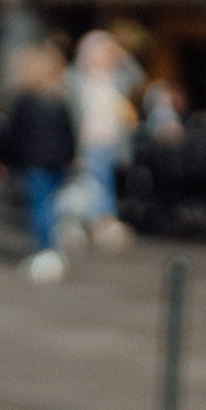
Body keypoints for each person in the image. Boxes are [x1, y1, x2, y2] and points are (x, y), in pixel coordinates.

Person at [1, 44, 78, 283]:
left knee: (39, 207)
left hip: (34, 162)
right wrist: (70, 157)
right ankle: (51, 249)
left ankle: (45, 250)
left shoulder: (25, 100)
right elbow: (68, 133)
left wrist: (10, 160)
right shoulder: (59, 98)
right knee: (51, 207)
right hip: (57, 162)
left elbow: (15, 134)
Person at [71, 29, 137, 250]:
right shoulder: (77, 78)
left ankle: (100, 221)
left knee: (102, 181)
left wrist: (121, 55)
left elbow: (138, 78)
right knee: (92, 181)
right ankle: (99, 221)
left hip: (110, 141)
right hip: (86, 141)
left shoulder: (115, 77)